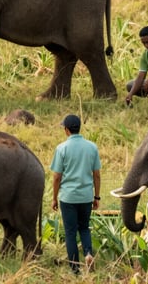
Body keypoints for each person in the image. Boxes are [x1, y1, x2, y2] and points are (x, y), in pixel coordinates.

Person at [50, 114, 101, 274]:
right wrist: (96, 197)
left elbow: (57, 177)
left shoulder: (61, 148)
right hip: (86, 196)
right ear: (79, 128)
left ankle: (75, 269)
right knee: (84, 228)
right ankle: (87, 254)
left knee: (70, 232)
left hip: (68, 197)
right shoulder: (92, 147)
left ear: (66, 130)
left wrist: (54, 198)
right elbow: (97, 175)